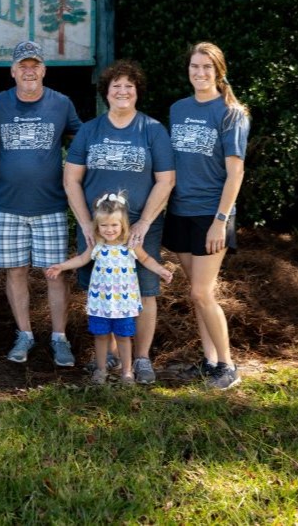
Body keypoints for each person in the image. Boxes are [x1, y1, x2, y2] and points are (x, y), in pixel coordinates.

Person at [63, 60, 175, 383]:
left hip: (141, 223)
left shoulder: (153, 130)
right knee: (103, 289)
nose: (123, 91)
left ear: (137, 91)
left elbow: (165, 180)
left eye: (129, 86)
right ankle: (111, 358)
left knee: (145, 290)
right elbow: (71, 180)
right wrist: (86, 223)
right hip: (99, 226)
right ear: (106, 92)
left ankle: (140, 359)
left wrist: (142, 224)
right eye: (116, 86)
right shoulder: (90, 129)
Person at [0, 40, 82, 366]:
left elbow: (80, 142)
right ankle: (24, 334)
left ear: (43, 70)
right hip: (8, 205)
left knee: (55, 274)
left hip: (51, 205)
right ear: (13, 71)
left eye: (35, 65)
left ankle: (59, 337)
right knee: (15, 272)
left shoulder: (61, 104)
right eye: (22, 66)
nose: (29, 71)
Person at [162, 41, 250, 390]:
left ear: (218, 72)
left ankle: (228, 367)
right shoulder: (179, 109)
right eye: (194, 67)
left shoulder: (231, 113)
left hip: (211, 214)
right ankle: (210, 361)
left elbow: (236, 172)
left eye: (206, 68)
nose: (199, 73)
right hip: (180, 211)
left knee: (202, 292)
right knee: (196, 292)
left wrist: (221, 220)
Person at [46, 192, 172, 384]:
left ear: (123, 225)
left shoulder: (130, 243)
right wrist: (61, 266)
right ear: (97, 226)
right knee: (101, 335)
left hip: (123, 302)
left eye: (114, 225)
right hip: (101, 302)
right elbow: (82, 259)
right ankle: (101, 369)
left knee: (123, 336)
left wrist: (161, 270)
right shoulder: (98, 244)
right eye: (104, 225)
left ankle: (127, 372)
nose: (109, 229)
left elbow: (145, 259)